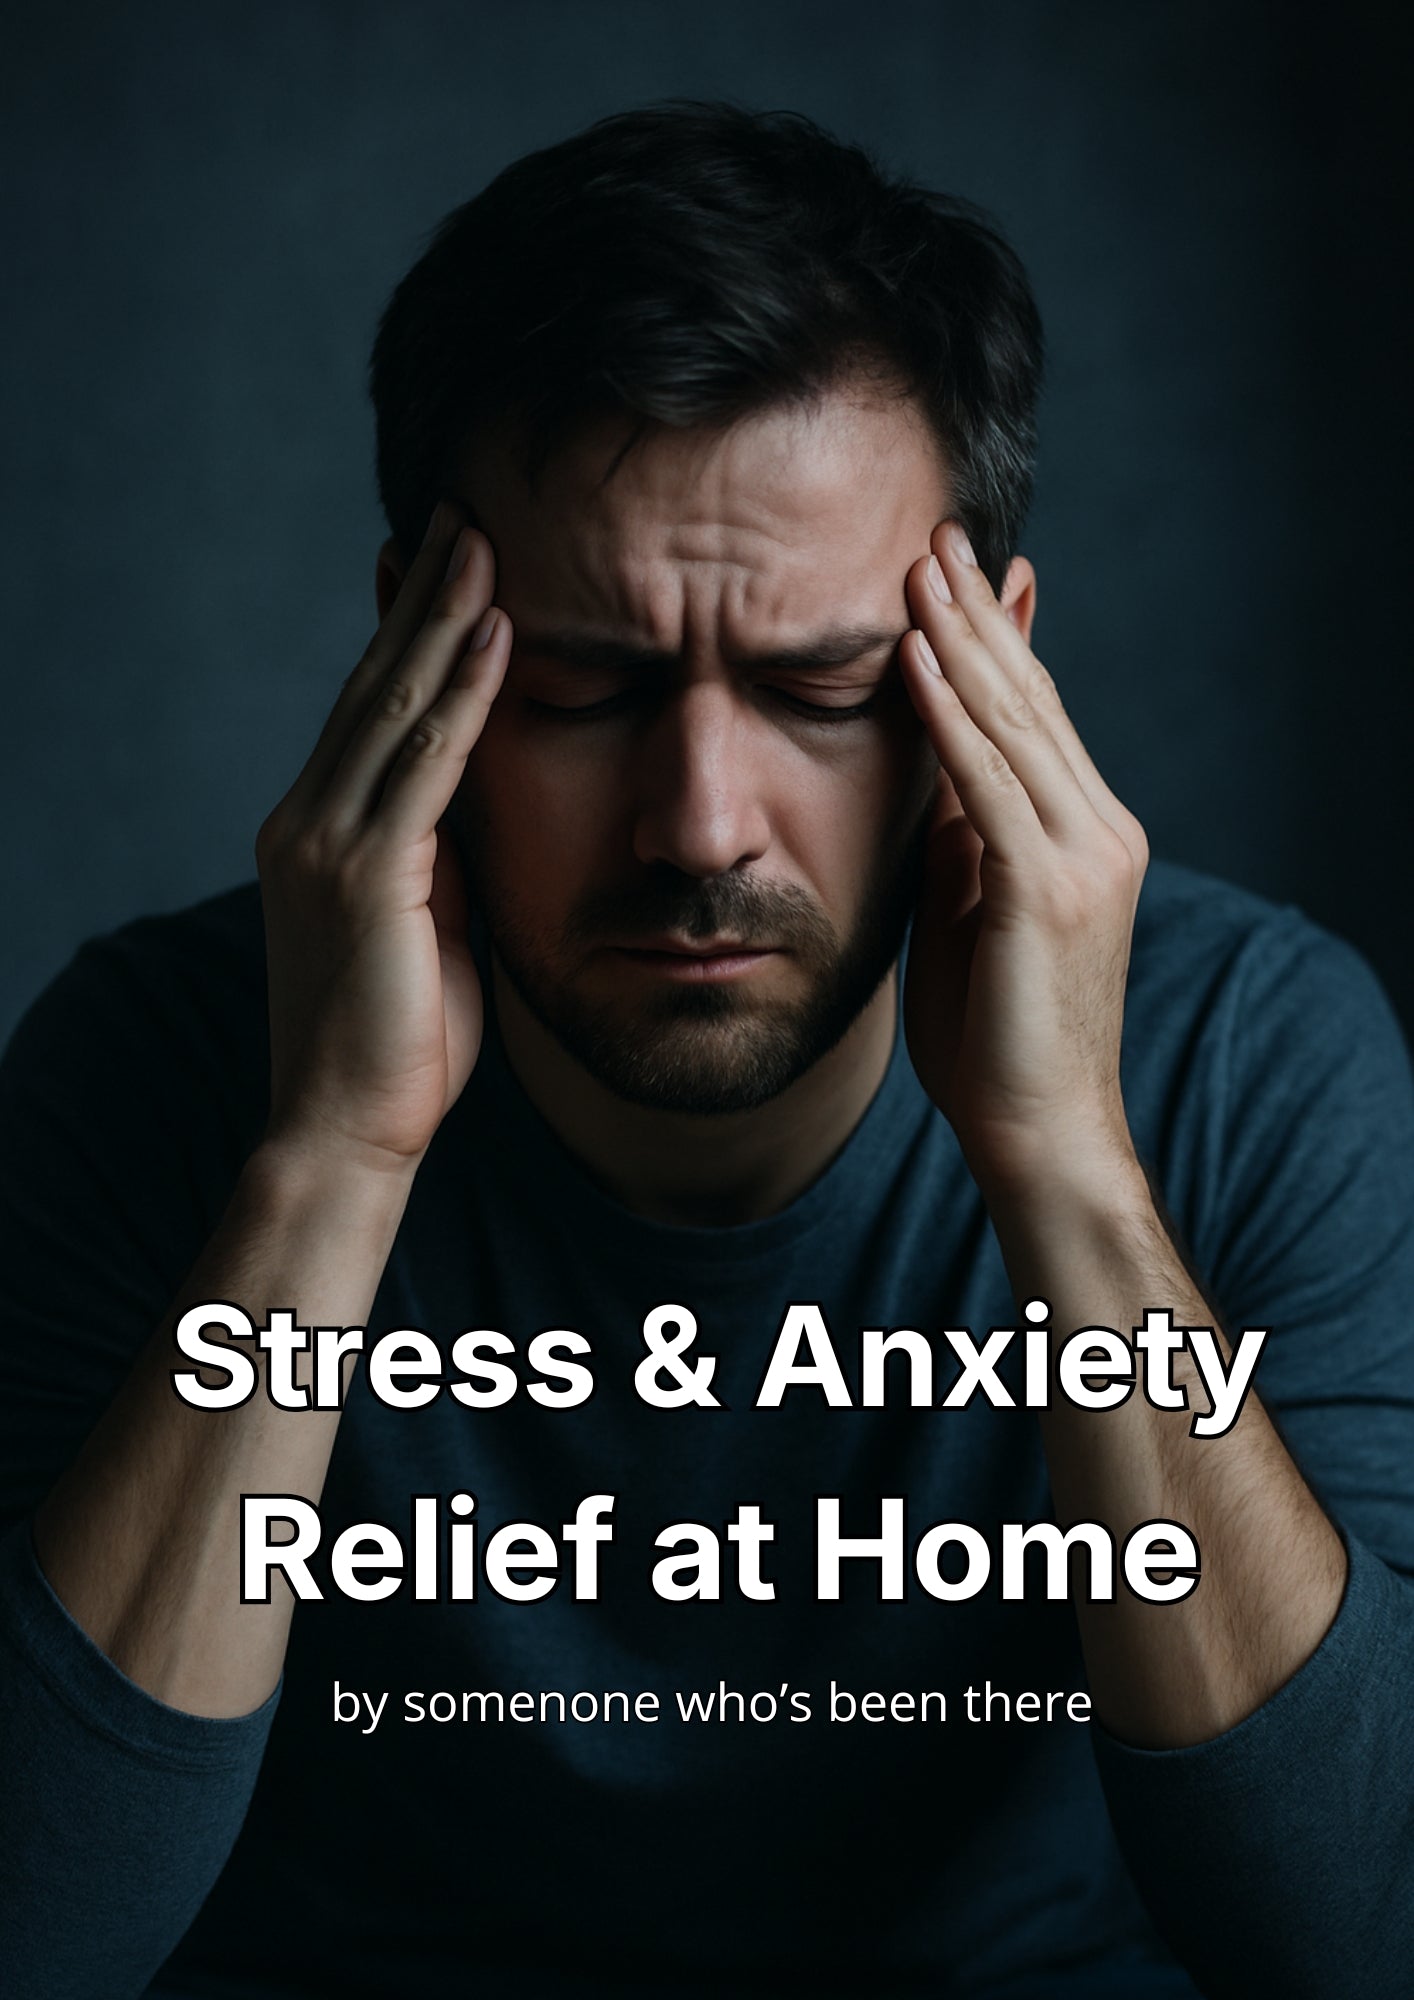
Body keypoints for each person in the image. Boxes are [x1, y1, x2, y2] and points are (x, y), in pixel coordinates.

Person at [2, 103, 1411, 2000]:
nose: (699, 825)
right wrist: (330, 1162)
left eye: (824, 690)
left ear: (992, 671)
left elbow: (1351, 1940)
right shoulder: (148, 1067)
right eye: (581, 689)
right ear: (407, 656)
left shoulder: (1259, 1059)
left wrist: (1066, 1160)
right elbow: (40, 1934)